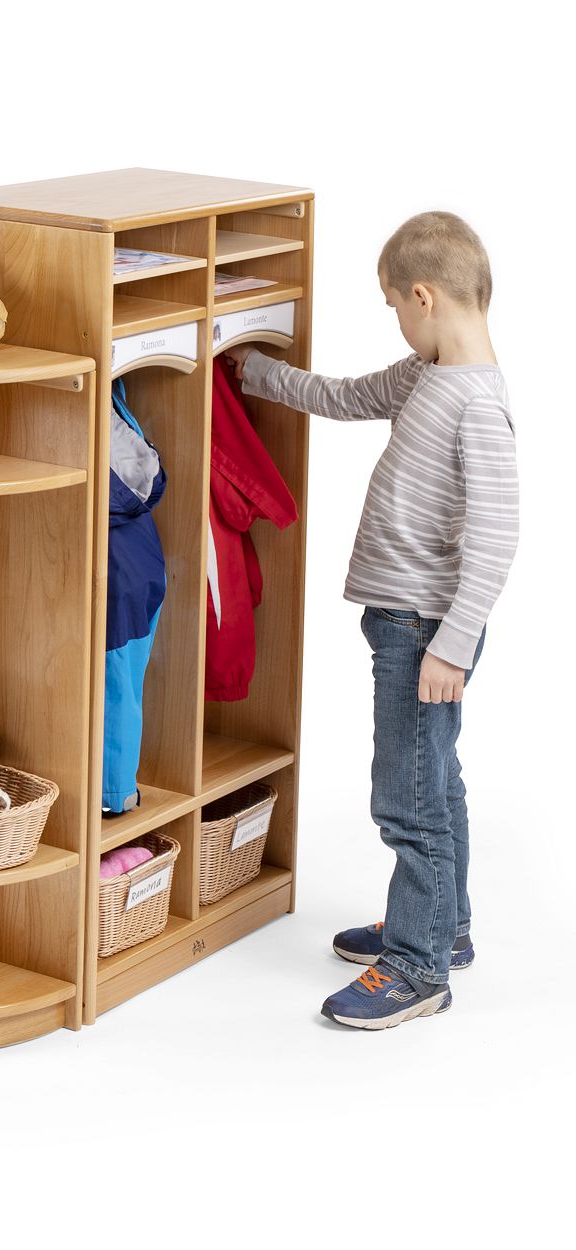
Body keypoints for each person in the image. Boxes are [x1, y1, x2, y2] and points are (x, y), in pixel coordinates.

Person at [225, 211, 518, 1030]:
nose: (396, 320)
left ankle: (418, 969)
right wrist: (255, 374)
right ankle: (443, 927)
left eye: (394, 305)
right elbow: (347, 396)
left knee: (406, 798)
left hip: (428, 630)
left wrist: (452, 647)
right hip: (405, 622)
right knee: (436, 782)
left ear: (423, 296)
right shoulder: (424, 374)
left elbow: (496, 539)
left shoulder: (476, 405)